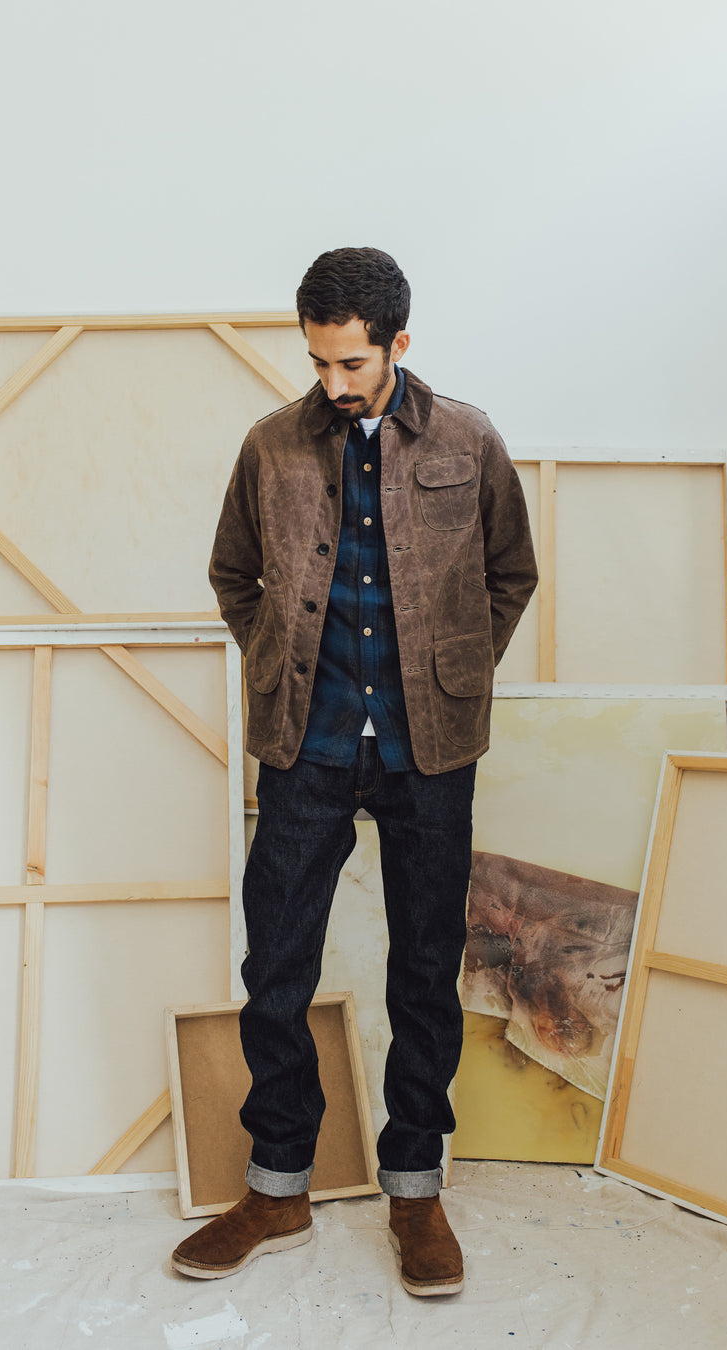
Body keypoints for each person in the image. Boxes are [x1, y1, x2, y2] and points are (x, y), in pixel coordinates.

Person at [172, 247, 537, 1296]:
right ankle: (278, 1184)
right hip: (307, 744)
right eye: (319, 364)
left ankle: (415, 1190)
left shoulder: (468, 439)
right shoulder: (271, 447)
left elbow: (510, 571)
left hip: (431, 751)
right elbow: (232, 572)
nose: (332, 385)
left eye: (351, 365)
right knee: (275, 971)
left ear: (398, 345)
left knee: (425, 971)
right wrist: (274, 659)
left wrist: (458, 665)